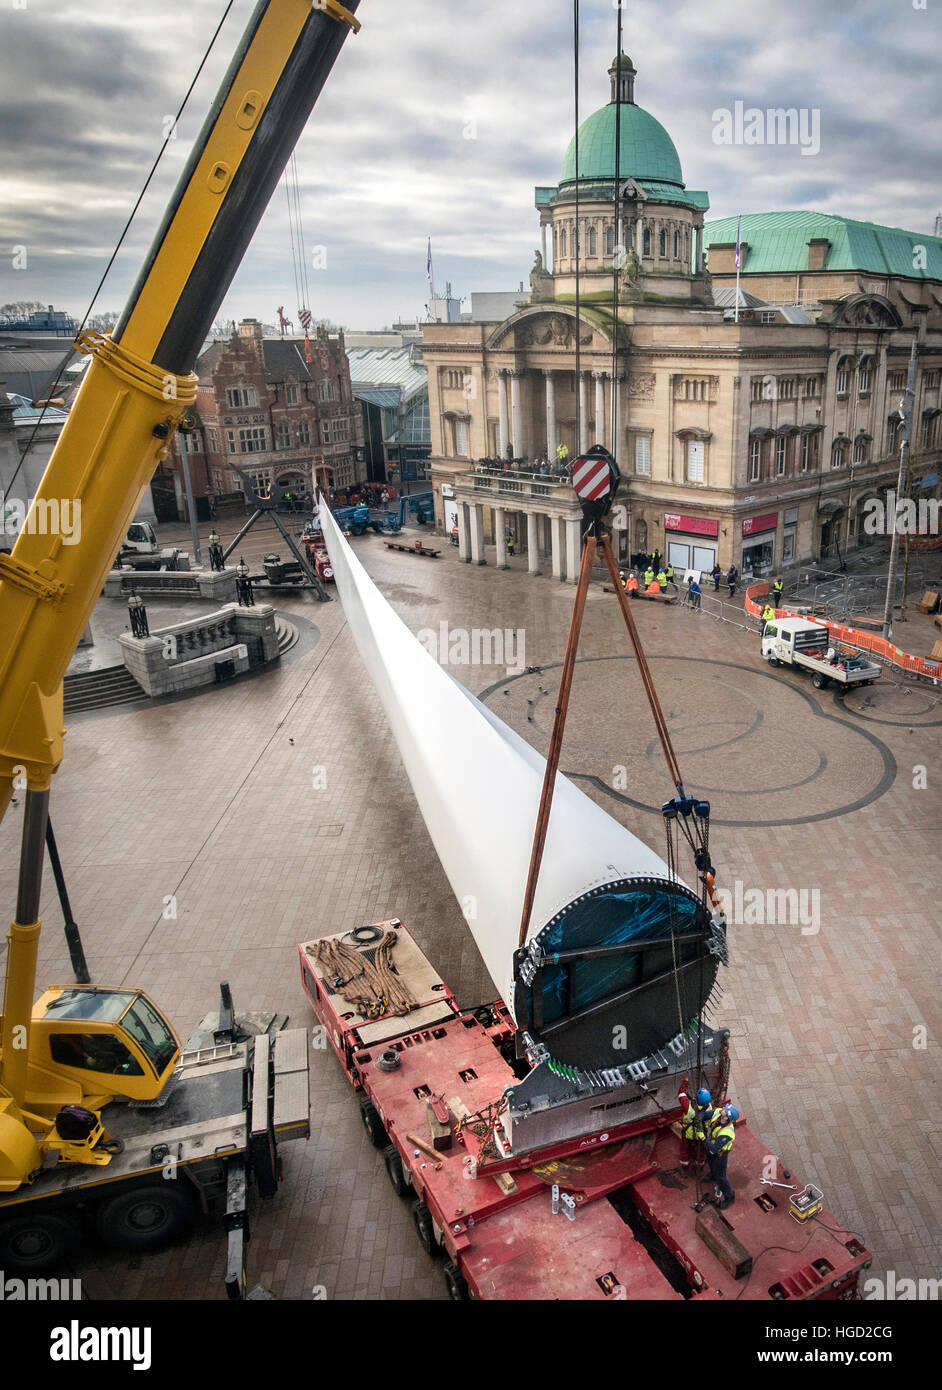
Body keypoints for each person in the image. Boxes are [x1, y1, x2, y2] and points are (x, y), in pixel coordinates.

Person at [706, 1103, 740, 1209]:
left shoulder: (727, 1133)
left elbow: (715, 1148)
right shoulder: (719, 1113)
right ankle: (712, 1175)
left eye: (725, 1109)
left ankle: (730, 1197)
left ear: (726, 1117)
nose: (723, 1108)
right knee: (711, 1162)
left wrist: (703, 1139)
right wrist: (700, 1116)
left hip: (720, 1154)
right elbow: (707, 1114)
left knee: (722, 1176)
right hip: (711, 1148)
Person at [678, 1086, 716, 1168]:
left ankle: (684, 1164)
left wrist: (685, 1081)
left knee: (685, 1148)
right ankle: (700, 1163)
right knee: (701, 1149)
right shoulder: (709, 1107)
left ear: (696, 1098)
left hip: (688, 1133)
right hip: (701, 1134)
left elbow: (681, 1094)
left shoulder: (687, 1106)